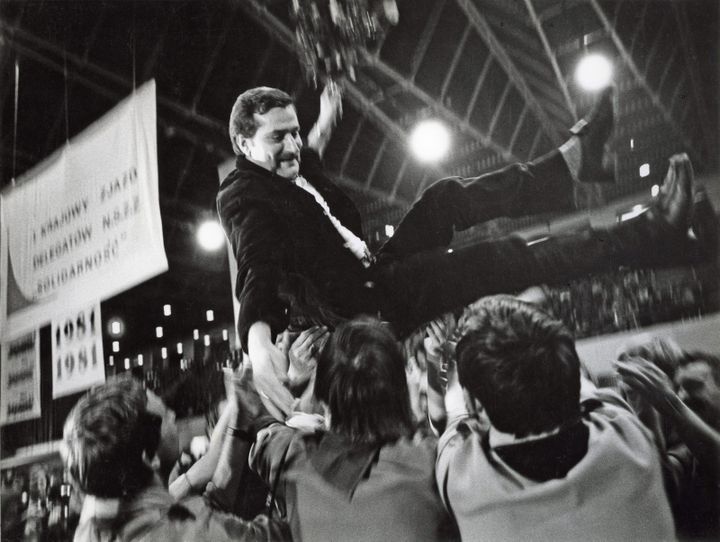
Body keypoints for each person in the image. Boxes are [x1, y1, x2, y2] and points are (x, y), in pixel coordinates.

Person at [217, 81, 712, 417]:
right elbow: (254, 262)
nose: (293, 145)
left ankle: (571, 163)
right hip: (365, 308)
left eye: (295, 132)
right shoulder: (243, 196)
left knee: (444, 197)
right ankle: (652, 234)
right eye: (278, 136)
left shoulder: (290, 168)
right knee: (503, 260)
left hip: (371, 270)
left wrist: (321, 123)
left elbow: (309, 163)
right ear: (243, 144)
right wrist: (257, 345)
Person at [435, 295, 675, 541]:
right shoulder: (630, 437)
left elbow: (455, 413)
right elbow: (580, 383)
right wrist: (533, 329)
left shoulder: (461, 480)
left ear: (473, 403)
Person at [248, 317, 452, 542]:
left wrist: (294, 383)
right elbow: (441, 422)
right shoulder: (429, 463)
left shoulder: (292, 458)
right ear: (399, 391)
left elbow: (260, 421)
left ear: (325, 404)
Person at [62, 373, 286, 542]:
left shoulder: (93, 525)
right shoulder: (182, 534)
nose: (173, 415)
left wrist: (239, 415)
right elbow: (285, 534)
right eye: (165, 416)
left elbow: (211, 509)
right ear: (149, 459)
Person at [617, 351, 720, 539]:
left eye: (693, 386)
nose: (683, 395)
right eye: (678, 389)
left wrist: (670, 403)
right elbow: (662, 488)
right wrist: (646, 411)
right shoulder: (687, 451)